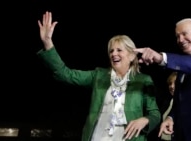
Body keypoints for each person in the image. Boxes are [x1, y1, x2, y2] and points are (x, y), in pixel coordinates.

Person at [37, 11, 161, 141]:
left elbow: (155, 114)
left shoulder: (143, 80)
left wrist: (144, 120)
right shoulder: (98, 75)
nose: (114, 54)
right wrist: (47, 42)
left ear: (132, 56)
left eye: (119, 50)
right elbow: (65, 74)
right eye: (111, 51)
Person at [134, 18, 191, 141]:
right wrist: (171, 118)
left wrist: (162, 58)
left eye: (184, 34)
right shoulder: (182, 68)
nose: (180, 40)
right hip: (182, 135)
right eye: (177, 36)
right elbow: (179, 100)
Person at [160, 72, 177, 141]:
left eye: (175, 83)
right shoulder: (167, 102)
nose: (172, 86)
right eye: (170, 83)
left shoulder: (187, 104)